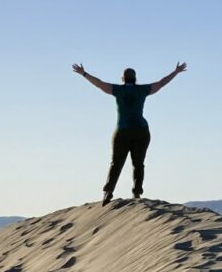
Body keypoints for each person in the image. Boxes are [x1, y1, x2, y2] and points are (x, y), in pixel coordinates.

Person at [72, 61, 187, 205]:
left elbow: (99, 84)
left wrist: (84, 73)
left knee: (116, 163)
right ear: (135, 78)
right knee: (138, 163)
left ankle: (108, 192)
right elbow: (161, 83)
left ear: (123, 79)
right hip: (141, 130)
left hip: (123, 131)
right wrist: (175, 72)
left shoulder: (118, 90)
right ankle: (137, 192)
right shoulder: (142, 90)